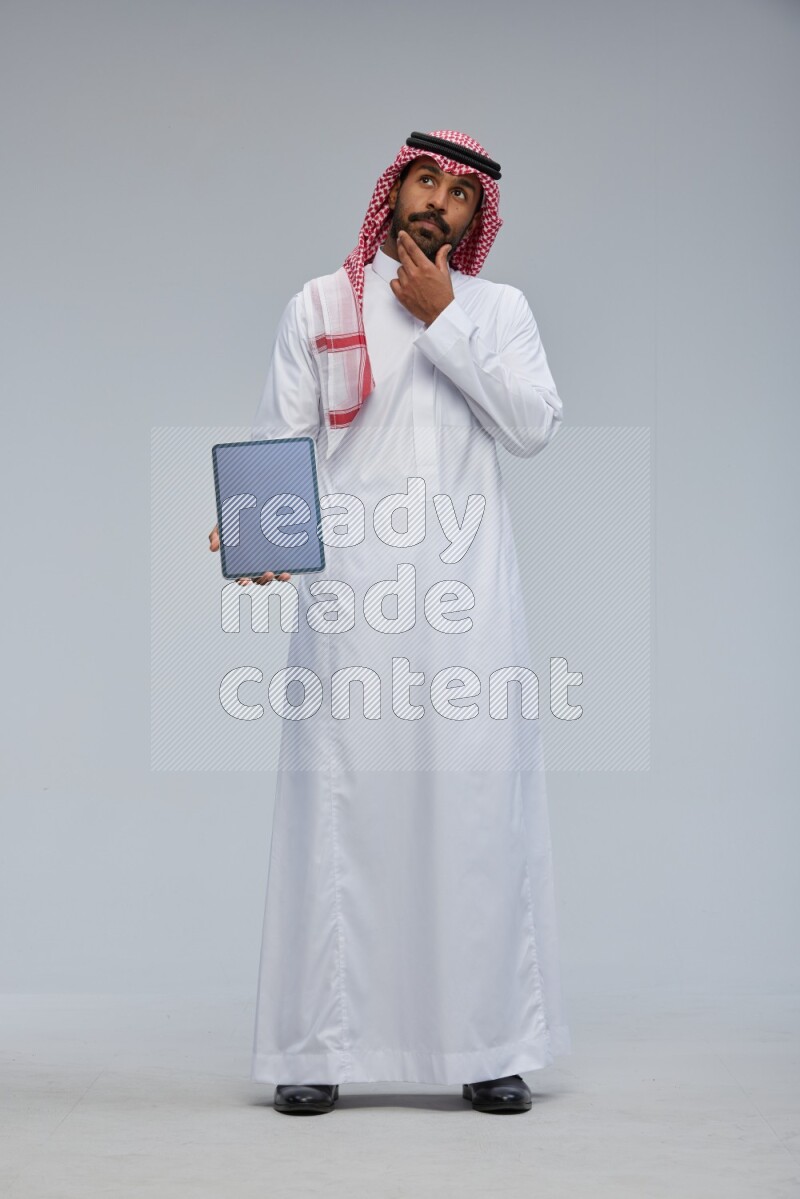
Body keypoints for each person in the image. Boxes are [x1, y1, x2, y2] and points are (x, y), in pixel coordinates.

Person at [208, 129, 570, 1115]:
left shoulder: (497, 310)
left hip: (466, 609)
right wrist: (257, 536)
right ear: (393, 187)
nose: (437, 205)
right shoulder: (319, 304)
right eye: (424, 182)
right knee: (338, 814)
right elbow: (281, 439)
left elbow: (532, 425)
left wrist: (444, 319)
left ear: (474, 217)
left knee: (471, 815)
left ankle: (488, 1043)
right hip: (350, 606)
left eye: (459, 196)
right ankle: (314, 1044)